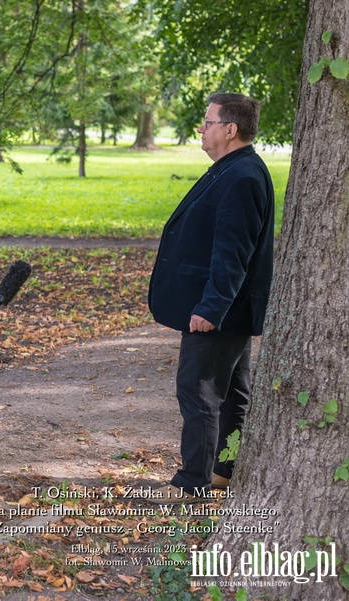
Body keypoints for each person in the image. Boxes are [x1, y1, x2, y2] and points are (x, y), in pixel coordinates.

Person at [146, 92, 275, 504]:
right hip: (229, 309)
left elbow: (232, 253)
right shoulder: (233, 169)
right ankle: (225, 471)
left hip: (221, 309)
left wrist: (211, 307)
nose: (201, 129)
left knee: (198, 392)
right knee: (234, 392)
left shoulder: (242, 177)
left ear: (230, 129)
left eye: (208, 122)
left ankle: (192, 484)